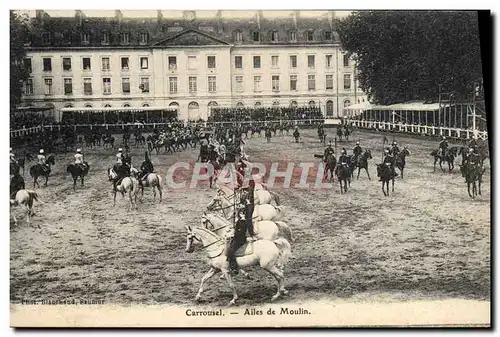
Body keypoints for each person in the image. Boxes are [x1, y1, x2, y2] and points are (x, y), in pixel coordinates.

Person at [226, 203, 251, 276]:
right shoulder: (240, 220)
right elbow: (237, 229)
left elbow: (241, 232)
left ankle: (234, 269)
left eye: (239, 212)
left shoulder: (243, 221)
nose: (238, 213)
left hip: (240, 239)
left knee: (230, 252)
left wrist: (232, 235)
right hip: (237, 238)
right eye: (238, 212)